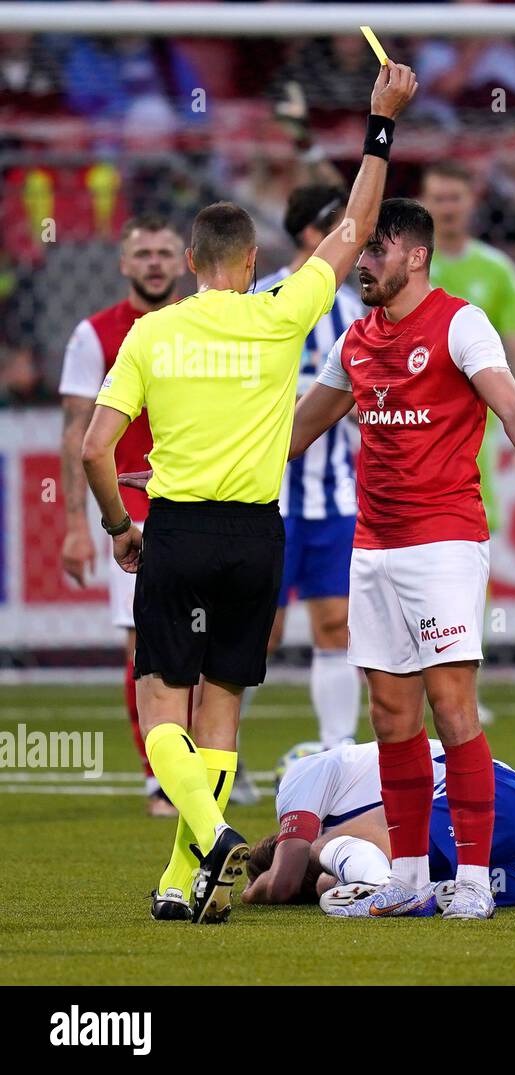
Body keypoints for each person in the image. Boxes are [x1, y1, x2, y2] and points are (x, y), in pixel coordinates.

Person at [82, 61, 419, 925]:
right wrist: (380, 124)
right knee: (223, 708)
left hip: (180, 528)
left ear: (190, 262)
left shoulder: (153, 332)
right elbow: (356, 224)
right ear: (254, 261)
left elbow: (94, 447)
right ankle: (181, 877)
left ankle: (215, 832)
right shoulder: (280, 316)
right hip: (256, 535)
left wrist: (122, 524)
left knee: (162, 702)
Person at [289, 196, 515, 921]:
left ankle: (471, 878)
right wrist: (196, 472)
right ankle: (410, 875)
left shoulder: (458, 322)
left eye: (375, 251)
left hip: (444, 540)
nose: (362, 264)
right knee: (390, 714)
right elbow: (297, 430)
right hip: (372, 545)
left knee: (451, 706)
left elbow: (509, 402)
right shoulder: (353, 341)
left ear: (415, 254)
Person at [59, 213, 186, 818]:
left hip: (197, 501)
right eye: (144, 254)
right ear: (124, 264)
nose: (155, 262)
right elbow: (76, 433)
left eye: (165, 251)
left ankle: (201, 764)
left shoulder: (201, 324)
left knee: (209, 644)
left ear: (184, 260)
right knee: (146, 645)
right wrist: (74, 525)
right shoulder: (95, 334)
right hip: (131, 512)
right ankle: (159, 778)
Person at [247, 185, 368, 755]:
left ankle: (339, 752)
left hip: (333, 496)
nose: (356, 238)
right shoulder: (259, 301)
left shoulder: (355, 310)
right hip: (263, 497)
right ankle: (223, 754)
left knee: (336, 625)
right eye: (341, 227)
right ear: (310, 234)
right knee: (258, 633)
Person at [421, 160, 515, 724]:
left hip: (469, 441)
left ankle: (461, 678)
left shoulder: (496, 271)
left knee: (469, 550)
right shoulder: (406, 265)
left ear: (472, 202)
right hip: (402, 431)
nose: (447, 207)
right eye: (438, 197)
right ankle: (410, 673)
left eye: (455, 196)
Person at [241, 739, 515, 913]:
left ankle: (390, 890)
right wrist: (329, 884)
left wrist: (250, 894)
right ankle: (397, 889)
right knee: (422, 875)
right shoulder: (339, 776)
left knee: (333, 847)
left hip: (488, 797)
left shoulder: (303, 776)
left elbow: (284, 881)